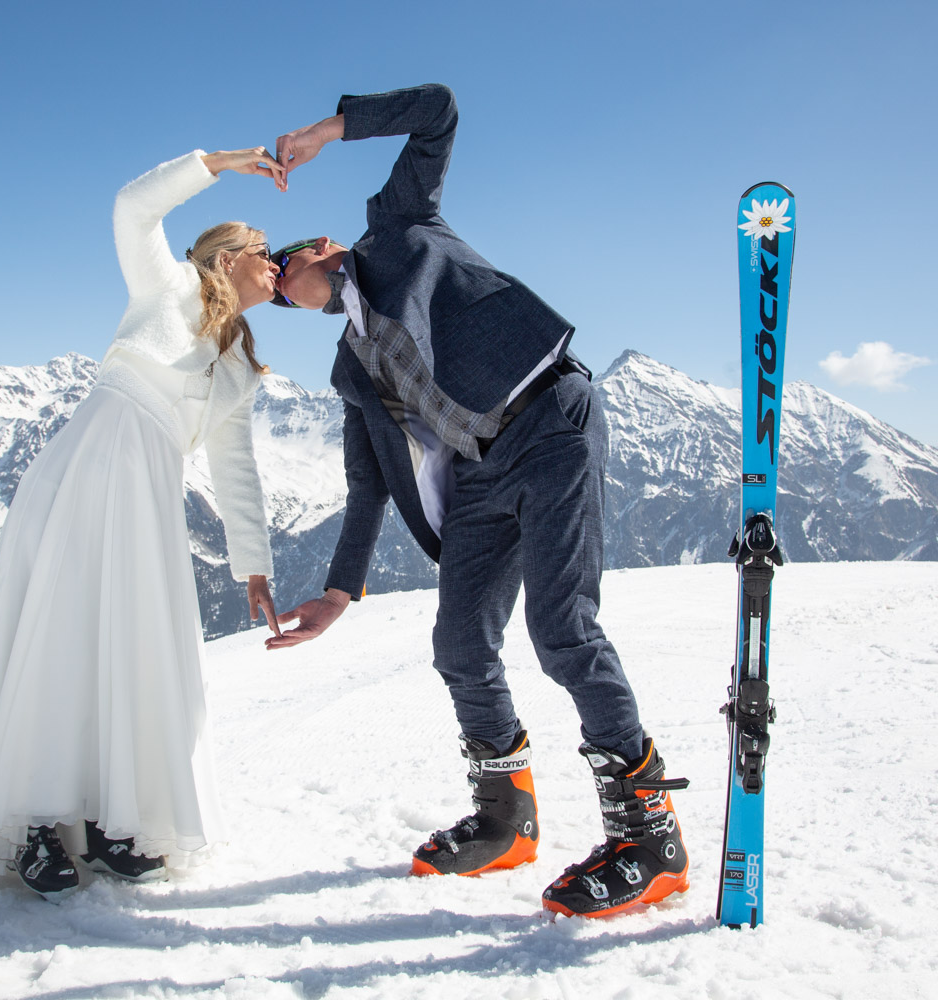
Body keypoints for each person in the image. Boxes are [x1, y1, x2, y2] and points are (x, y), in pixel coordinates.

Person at [263, 84, 691, 919]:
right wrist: (338, 594)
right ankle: (507, 820)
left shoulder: (398, 226)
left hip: (551, 419)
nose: (281, 293)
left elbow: (439, 110)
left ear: (318, 247)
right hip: (483, 471)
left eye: (282, 272)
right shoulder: (350, 370)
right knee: (460, 642)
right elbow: (367, 488)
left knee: (562, 630)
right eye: (274, 297)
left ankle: (650, 834)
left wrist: (331, 129)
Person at [0, 146, 286, 901]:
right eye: (265, 252)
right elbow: (132, 207)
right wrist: (216, 163)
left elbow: (236, 470)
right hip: (90, 468)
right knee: (62, 635)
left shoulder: (242, 367)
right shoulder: (169, 284)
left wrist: (254, 564)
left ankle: (108, 827)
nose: (277, 264)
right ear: (228, 257)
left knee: (131, 648)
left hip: (147, 494)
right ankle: (33, 827)